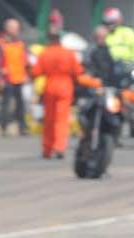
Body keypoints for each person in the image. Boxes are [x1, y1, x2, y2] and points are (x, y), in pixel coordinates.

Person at [31, 26, 101, 159]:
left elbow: (36, 72)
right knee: (61, 119)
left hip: (50, 87)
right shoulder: (68, 53)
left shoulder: (44, 53)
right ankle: (59, 147)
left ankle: (47, 149)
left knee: (49, 120)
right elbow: (77, 71)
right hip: (65, 87)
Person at [0, 18, 29, 136]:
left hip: (19, 78)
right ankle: (3, 127)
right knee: (6, 103)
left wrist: (26, 74)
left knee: (20, 104)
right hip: (7, 79)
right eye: (13, 28)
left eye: (17, 28)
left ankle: (22, 127)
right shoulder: (0, 42)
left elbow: (25, 60)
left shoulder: (20, 43)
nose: (16, 30)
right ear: (7, 29)